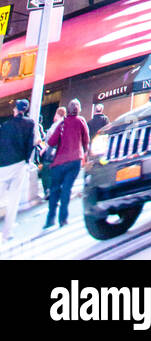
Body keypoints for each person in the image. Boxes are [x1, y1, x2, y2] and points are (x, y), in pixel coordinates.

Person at [43, 98, 90, 229]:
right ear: (78, 110)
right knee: (66, 189)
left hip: (58, 163)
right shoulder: (81, 121)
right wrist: (85, 153)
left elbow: (52, 142)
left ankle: (50, 219)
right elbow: (86, 140)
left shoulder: (62, 124)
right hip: (74, 160)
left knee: (54, 190)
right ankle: (63, 219)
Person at [0, 99, 36, 241]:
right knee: (14, 199)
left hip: (3, 165)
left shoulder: (6, 125)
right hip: (20, 164)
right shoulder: (30, 124)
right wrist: (27, 161)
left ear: (15, 110)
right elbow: (30, 144)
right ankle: (7, 232)